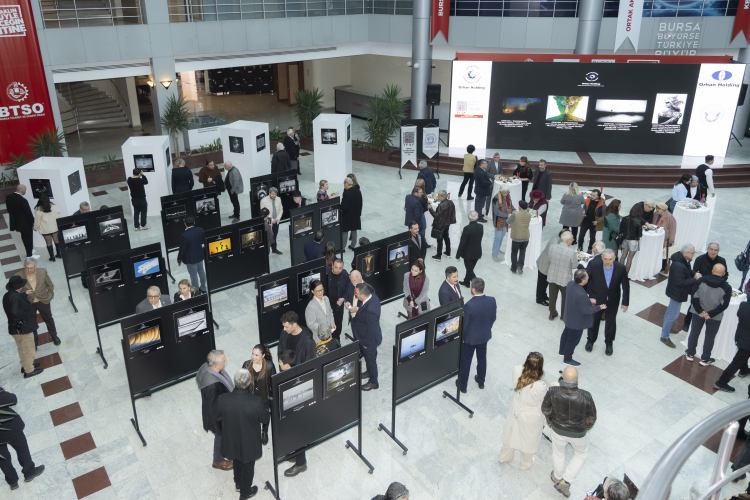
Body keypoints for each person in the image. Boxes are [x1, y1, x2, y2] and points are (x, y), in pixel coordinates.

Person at [542, 366, 597, 497]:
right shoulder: (586, 396)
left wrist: (551, 422)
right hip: (578, 433)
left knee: (558, 453)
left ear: (562, 378)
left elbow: (545, 409)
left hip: (557, 430)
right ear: (577, 379)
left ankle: (557, 476)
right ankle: (566, 481)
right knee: (581, 454)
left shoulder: (552, 391)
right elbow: (592, 417)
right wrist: (585, 427)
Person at [216, 369, 269, 499]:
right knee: (248, 467)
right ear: (249, 383)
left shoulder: (222, 399)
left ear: (234, 382)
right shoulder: (255, 402)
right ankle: (245, 494)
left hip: (231, 439)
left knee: (236, 459)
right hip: (249, 442)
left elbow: (216, 417)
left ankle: (238, 483)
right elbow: (265, 419)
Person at [498, 352, 552, 471]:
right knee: (528, 440)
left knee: (511, 433)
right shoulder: (541, 386)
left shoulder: (518, 371)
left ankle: (504, 456)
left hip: (515, 408)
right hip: (531, 415)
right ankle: (526, 464)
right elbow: (545, 400)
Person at [684, 263, 732, 365]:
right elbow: (724, 304)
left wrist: (700, 311)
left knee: (694, 332)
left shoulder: (701, 280)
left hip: (698, 313)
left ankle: (690, 354)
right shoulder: (727, 287)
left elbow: (694, 296)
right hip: (715, 316)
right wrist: (710, 314)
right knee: (710, 337)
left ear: (712, 271)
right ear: (723, 274)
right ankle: (705, 359)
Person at [585, 249, 629, 356]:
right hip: (597, 300)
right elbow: (584, 280)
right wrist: (583, 297)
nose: (608, 262)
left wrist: (625, 302)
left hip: (613, 300)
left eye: (610, 259)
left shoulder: (620, 268)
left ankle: (609, 343)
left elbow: (625, 286)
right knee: (594, 320)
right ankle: (590, 340)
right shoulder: (594, 266)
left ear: (614, 258)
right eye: (605, 259)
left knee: (611, 322)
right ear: (602, 258)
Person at [0, 387, 45, 490]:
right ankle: (29, 472)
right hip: (12, 429)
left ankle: (12, 482)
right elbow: (13, 399)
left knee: (3, 459)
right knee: (22, 449)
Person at [195, 350, 234, 471]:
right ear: (216, 365)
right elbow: (214, 408)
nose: (226, 361)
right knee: (220, 435)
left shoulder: (207, 367)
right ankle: (218, 460)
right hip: (218, 417)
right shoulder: (212, 386)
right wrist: (220, 426)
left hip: (217, 411)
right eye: (224, 360)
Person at [559, 270, 606, 366]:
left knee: (566, 334)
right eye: (587, 276)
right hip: (576, 323)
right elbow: (586, 310)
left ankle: (562, 351)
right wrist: (599, 307)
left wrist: (587, 300)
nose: (588, 277)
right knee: (573, 341)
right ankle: (567, 359)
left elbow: (576, 300)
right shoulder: (580, 295)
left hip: (569, 317)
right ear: (583, 280)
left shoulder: (571, 283)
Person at [458, 278, 496, 393]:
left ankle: (463, 385)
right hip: (484, 336)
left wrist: (462, 337)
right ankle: (481, 381)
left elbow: (465, 325)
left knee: (466, 361)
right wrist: (486, 328)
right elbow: (493, 318)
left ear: (473, 289)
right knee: (482, 358)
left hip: (470, 339)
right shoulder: (492, 300)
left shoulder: (469, 305)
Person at [660, 244, 701, 348]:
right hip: (677, 292)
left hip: (676, 291)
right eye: (692, 253)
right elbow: (680, 282)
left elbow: (686, 271)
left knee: (670, 310)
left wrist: (693, 274)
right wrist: (695, 279)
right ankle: (664, 336)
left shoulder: (682, 260)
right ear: (685, 253)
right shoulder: (679, 265)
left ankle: (666, 328)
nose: (694, 255)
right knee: (673, 315)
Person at [3, 276, 42, 378]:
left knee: (21, 348)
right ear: (19, 286)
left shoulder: (7, 295)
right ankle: (29, 370)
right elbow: (15, 311)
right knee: (29, 349)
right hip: (23, 328)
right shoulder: (16, 296)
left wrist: (24, 295)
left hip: (14, 328)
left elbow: (15, 302)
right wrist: (26, 317)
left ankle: (25, 366)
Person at [16, 258, 61, 347]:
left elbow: (50, 285)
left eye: (31, 268)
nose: (29, 270)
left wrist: (49, 296)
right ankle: (35, 342)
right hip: (28, 303)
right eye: (27, 268)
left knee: (48, 319)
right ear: (24, 266)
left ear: (35, 266)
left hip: (43, 301)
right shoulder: (18, 276)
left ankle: (54, 336)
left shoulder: (42, 272)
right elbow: (17, 292)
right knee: (31, 323)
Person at [347, 283, 382, 391]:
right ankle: (368, 372)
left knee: (371, 361)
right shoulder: (372, 297)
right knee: (368, 359)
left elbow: (371, 330)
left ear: (362, 295)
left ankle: (373, 382)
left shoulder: (370, 310)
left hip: (369, 340)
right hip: (366, 336)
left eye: (357, 294)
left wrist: (366, 343)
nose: (355, 295)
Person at [241, 344, 276, 445]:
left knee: (265, 415)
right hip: (250, 397)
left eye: (256, 355)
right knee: (252, 417)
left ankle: (264, 431)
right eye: (252, 354)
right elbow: (242, 382)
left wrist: (273, 397)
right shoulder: (246, 365)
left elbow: (273, 382)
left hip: (264, 397)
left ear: (263, 355)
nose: (253, 357)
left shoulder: (269, 365)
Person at [714, 296, 750, 392]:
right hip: (747, 342)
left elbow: (739, 315)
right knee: (737, 362)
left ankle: (744, 370)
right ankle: (721, 382)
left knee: (743, 355)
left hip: (740, 336)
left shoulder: (743, 305)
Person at [547, 232, 579, 321]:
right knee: (565, 297)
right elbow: (574, 266)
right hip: (565, 278)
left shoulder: (552, 247)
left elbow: (549, 258)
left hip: (552, 275)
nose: (572, 241)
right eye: (572, 239)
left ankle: (552, 313)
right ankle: (563, 315)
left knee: (552, 296)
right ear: (568, 240)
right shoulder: (571, 252)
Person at [6, 185, 39, 260]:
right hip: (25, 223)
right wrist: (33, 223)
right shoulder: (23, 200)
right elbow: (28, 213)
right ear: (22, 191)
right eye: (25, 190)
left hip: (17, 222)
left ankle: (29, 250)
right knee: (28, 238)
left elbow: (9, 209)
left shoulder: (9, 197)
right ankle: (29, 255)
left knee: (24, 237)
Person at [177, 216, 207, 293]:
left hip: (190, 259)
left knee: (193, 275)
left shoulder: (184, 235)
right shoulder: (200, 229)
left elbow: (182, 249)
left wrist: (179, 259)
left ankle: (195, 292)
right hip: (199, 255)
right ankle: (203, 288)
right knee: (201, 271)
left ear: (185, 223)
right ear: (194, 222)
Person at [619, 204, 652, 274]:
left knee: (623, 256)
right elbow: (640, 234)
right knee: (629, 258)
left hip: (625, 239)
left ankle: (619, 273)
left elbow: (621, 229)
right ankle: (625, 275)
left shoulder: (625, 218)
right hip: (634, 241)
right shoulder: (638, 221)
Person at [456, 211, 483, 288]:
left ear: (468, 217)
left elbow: (462, 242)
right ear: (477, 218)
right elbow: (475, 236)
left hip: (468, 254)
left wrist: (458, 255)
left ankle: (478, 285)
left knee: (470, 270)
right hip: (477, 252)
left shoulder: (467, 228)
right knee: (470, 269)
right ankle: (466, 282)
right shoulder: (481, 227)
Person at [536, 231, 563, 307]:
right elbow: (553, 257)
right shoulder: (555, 243)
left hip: (546, 264)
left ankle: (544, 295)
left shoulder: (557, 238)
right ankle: (540, 299)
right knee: (542, 283)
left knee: (544, 283)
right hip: (544, 265)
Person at [505, 200, 532, 274]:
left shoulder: (515, 214)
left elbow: (507, 221)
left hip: (516, 237)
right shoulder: (529, 215)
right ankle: (520, 266)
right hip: (525, 237)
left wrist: (511, 218)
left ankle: (513, 268)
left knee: (514, 253)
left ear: (520, 207)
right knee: (522, 252)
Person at [429, 190, 456, 262]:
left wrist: (430, 209)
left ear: (443, 196)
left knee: (439, 240)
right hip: (447, 224)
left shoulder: (441, 205)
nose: (438, 197)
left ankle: (438, 256)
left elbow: (436, 216)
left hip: (440, 225)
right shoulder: (451, 202)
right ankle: (448, 252)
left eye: (439, 196)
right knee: (446, 237)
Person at [32, 196, 61, 262]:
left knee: (48, 243)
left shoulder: (38, 209)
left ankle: (52, 257)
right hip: (54, 227)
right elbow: (58, 214)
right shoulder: (53, 206)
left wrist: (35, 228)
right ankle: (59, 254)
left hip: (45, 229)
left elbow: (37, 220)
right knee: (56, 241)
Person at [326, 258, 349, 339]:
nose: (338, 270)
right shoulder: (326, 272)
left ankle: (336, 339)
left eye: (340, 268)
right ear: (332, 265)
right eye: (336, 267)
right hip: (327, 304)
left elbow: (348, 288)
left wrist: (343, 298)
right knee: (327, 322)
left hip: (338, 306)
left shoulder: (344, 274)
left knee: (338, 323)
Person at [653, 202, 677, 275]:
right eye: (657, 208)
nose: (657, 210)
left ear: (663, 209)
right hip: (656, 237)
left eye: (659, 209)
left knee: (663, 254)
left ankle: (662, 267)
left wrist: (671, 240)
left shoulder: (670, 217)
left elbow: (673, 229)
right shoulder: (656, 214)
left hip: (665, 239)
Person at [72, 202, 92, 287]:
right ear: (80, 209)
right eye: (85, 210)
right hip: (81, 243)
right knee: (83, 262)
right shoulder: (75, 216)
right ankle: (84, 281)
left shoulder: (90, 214)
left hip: (89, 242)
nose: (87, 211)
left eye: (88, 209)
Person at [341, 177, 363, 251]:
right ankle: (353, 245)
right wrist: (359, 213)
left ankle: (343, 247)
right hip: (355, 215)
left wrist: (342, 214)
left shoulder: (347, 194)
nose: (344, 186)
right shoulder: (358, 191)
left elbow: (344, 206)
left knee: (345, 231)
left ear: (347, 184)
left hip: (347, 216)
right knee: (354, 230)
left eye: (344, 184)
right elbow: (361, 203)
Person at [260, 187, 283, 255]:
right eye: (272, 194)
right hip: (269, 221)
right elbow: (264, 214)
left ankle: (274, 249)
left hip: (276, 221)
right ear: (269, 193)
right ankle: (267, 250)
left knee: (274, 235)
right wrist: (272, 220)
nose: (274, 195)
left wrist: (277, 219)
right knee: (269, 236)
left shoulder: (278, 199)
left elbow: (281, 209)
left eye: (275, 194)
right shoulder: (263, 201)